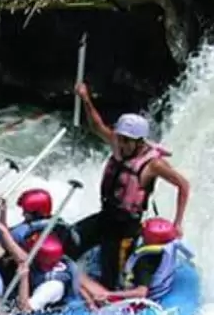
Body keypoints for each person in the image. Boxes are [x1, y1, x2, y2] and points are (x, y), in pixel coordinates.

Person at [70, 82, 191, 290]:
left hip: (125, 229)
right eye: (120, 138)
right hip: (105, 217)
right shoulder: (119, 145)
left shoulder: (153, 164)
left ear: (138, 142)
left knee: (111, 281)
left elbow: (183, 185)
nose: (121, 144)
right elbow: (97, 126)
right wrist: (85, 99)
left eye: (127, 141)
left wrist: (177, 222)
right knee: (68, 242)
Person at [104, 217, 194, 303]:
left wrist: (109, 294)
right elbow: (190, 255)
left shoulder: (144, 261)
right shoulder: (171, 243)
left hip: (153, 296)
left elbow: (141, 293)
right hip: (165, 286)